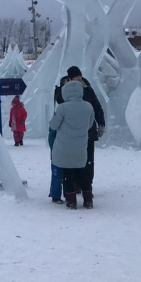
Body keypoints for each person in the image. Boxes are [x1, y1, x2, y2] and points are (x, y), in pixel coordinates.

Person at [49, 80, 95, 209]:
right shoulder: (88, 106)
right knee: (82, 173)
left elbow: (54, 125)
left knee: (68, 175)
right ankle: (88, 200)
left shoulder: (62, 108)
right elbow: (90, 124)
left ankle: (71, 202)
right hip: (80, 146)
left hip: (64, 147)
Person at [57, 66, 105, 189]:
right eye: (76, 77)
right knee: (73, 158)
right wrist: (64, 87)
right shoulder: (65, 89)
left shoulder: (88, 89)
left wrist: (101, 123)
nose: (79, 78)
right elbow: (59, 100)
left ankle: (87, 185)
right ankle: (75, 183)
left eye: (79, 76)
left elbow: (97, 107)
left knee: (88, 159)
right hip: (71, 132)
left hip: (87, 131)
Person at [48, 76, 69, 204]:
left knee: (62, 171)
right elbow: (53, 129)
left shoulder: (63, 108)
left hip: (62, 144)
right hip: (60, 144)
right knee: (59, 171)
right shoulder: (60, 107)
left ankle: (65, 192)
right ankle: (57, 193)